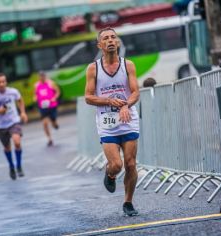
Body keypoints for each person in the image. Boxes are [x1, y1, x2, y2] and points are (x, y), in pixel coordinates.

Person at [85, 27, 140, 216]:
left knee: (131, 164)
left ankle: (128, 202)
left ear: (117, 42)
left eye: (113, 37)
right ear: (99, 45)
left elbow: (135, 92)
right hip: (107, 123)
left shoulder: (128, 65)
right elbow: (88, 97)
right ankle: (110, 174)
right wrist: (109, 100)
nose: (110, 40)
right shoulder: (94, 68)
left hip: (127, 119)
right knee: (117, 165)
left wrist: (126, 105)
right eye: (105, 38)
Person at [0, 73, 28, 180]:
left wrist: (23, 112)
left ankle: (19, 166)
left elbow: (20, 100)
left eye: (3, 81)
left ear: (6, 82)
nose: (1, 84)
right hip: (1, 125)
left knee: (17, 142)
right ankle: (11, 166)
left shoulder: (13, 92)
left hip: (14, 121)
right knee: (7, 148)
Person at [34, 71, 61, 146]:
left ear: (45, 76)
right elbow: (35, 94)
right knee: (45, 123)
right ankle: (49, 139)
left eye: (43, 76)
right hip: (43, 107)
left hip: (52, 106)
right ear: (38, 77)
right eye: (40, 76)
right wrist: (35, 98)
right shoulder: (36, 85)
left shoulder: (50, 83)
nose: (42, 77)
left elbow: (58, 91)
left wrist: (54, 98)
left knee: (54, 123)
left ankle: (55, 123)